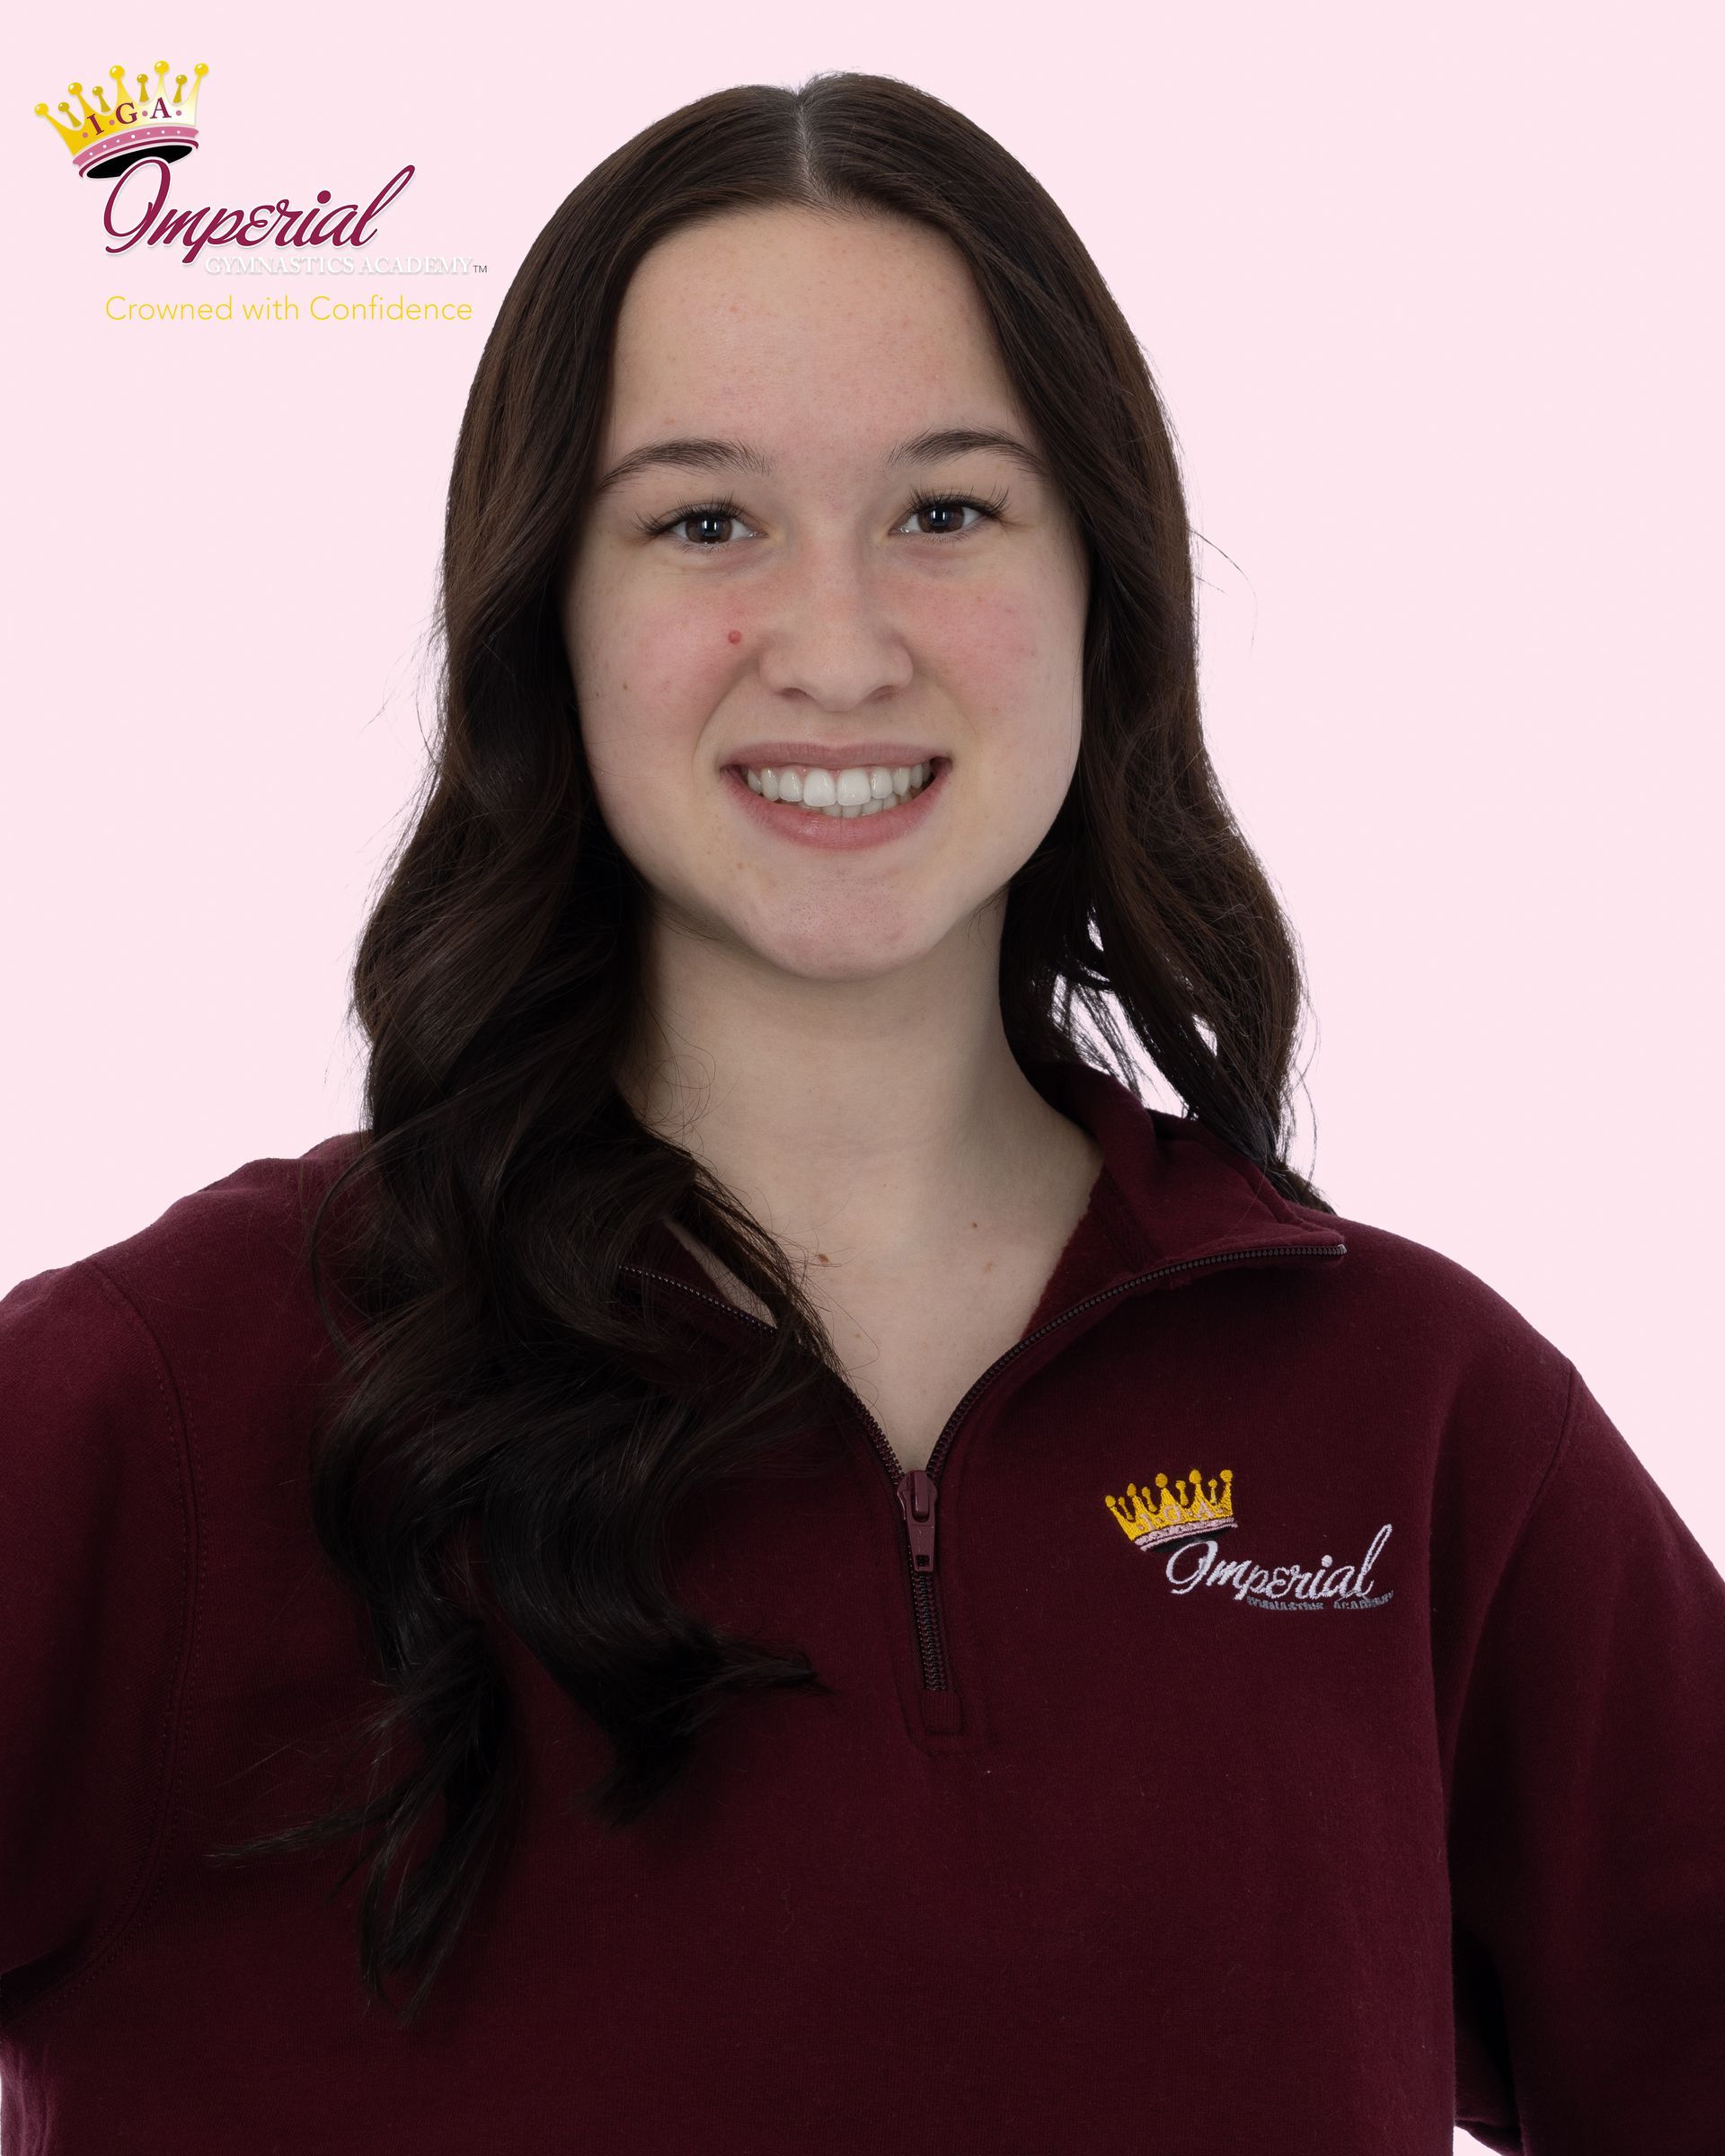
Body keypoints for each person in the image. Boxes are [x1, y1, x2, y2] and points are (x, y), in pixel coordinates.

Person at [2, 70, 1721, 2156]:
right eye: (704, 520)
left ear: (1108, 593)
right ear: (551, 616)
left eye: (948, 509)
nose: (835, 646)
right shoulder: (166, 1413)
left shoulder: (1417, 1423)